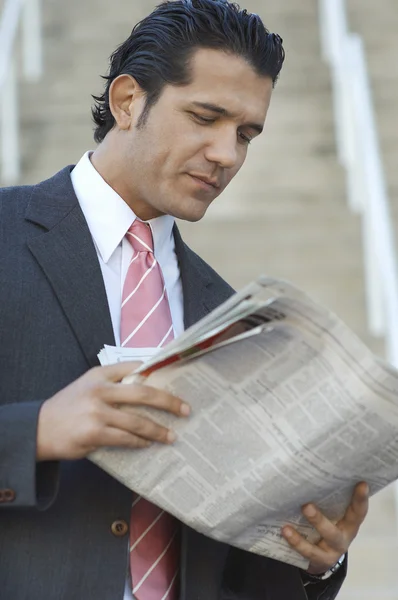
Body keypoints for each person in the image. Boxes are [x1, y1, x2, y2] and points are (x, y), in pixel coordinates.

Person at [0, 1, 368, 599]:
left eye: (246, 134)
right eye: (206, 117)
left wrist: (314, 562)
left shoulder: (229, 315)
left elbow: (236, 571)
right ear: (128, 102)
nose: (228, 154)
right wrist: (36, 432)